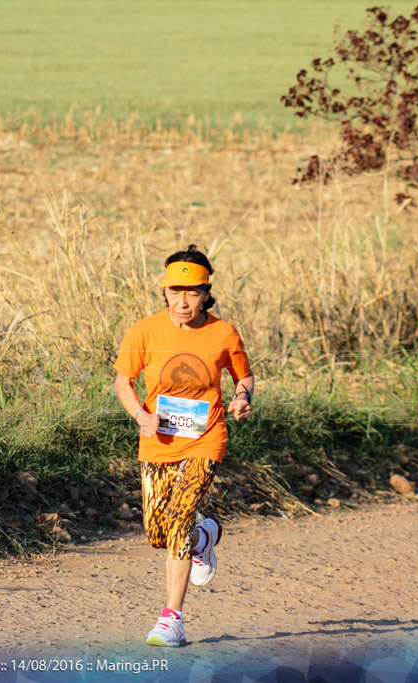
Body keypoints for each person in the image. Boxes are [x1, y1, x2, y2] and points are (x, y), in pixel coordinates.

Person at [113, 245, 255, 647]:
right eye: (175, 291)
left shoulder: (223, 332)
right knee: (157, 534)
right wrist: (141, 415)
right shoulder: (143, 330)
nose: (182, 300)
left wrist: (242, 398)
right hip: (157, 440)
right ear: (164, 292)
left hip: (205, 438)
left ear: (207, 292)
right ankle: (204, 537)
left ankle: (171, 619)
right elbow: (123, 382)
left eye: (192, 292)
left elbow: (244, 377)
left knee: (177, 520)